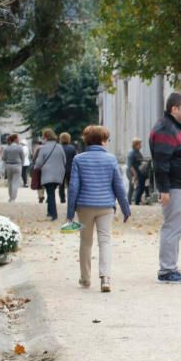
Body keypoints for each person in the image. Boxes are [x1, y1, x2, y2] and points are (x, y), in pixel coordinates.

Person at [66, 125, 131, 293]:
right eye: (107, 139)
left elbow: (73, 187)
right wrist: (125, 208)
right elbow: (119, 186)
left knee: (85, 242)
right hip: (106, 206)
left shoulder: (79, 159)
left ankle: (85, 279)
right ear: (102, 140)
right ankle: (105, 278)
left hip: (84, 206)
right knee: (105, 241)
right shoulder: (111, 159)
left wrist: (70, 212)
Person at [150, 92, 181, 284]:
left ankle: (170, 266)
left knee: (176, 227)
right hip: (175, 186)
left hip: (180, 185)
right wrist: (164, 189)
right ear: (174, 109)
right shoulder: (166, 129)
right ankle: (167, 271)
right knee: (172, 227)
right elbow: (161, 161)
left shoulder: (173, 128)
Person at [33, 130, 66, 219]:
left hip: (47, 173)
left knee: (50, 193)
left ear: (46, 137)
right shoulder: (59, 147)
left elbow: (39, 162)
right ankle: (49, 212)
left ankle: (54, 214)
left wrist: (35, 167)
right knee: (51, 192)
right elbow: (64, 160)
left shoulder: (43, 148)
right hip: (59, 173)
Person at [2, 134, 25, 202]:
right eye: (18, 138)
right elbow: (22, 157)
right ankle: (13, 198)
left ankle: (10, 197)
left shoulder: (7, 148)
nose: (19, 140)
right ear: (15, 139)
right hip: (17, 165)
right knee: (15, 182)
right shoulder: (19, 147)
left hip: (8, 166)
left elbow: (3, 158)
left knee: (10, 182)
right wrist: (22, 165)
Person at [126, 138, 148, 206]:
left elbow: (140, 160)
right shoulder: (131, 153)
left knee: (139, 187)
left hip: (138, 172)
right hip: (132, 172)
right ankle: (130, 202)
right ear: (135, 145)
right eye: (139, 144)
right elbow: (130, 166)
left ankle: (136, 201)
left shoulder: (138, 152)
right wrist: (135, 175)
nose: (141, 145)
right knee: (132, 187)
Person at [59, 132, 77, 205]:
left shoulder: (59, 147)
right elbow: (75, 158)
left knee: (61, 185)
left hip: (61, 169)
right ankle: (70, 198)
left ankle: (62, 199)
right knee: (70, 185)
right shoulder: (72, 148)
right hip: (70, 169)